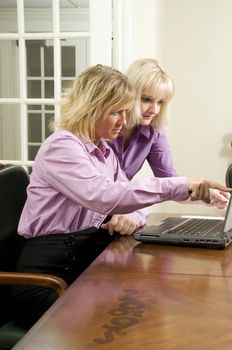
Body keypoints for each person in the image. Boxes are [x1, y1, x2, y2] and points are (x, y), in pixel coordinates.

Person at [11, 64, 231, 329]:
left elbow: (127, 198)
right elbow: (103, 197)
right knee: (122, 322)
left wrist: (135, 212)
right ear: (91, 107)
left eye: (126, 112)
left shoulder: (103, 151)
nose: (125, 122)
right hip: (48, 280)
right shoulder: (62, 146)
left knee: (151, 307)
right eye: (116, 112)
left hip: (82, 268)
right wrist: (180, 185)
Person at [109, 58, 230, 208]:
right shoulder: (105, 127)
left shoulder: (154, 131)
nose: (154, 109)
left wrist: (209, 196)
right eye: (147, 99)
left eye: (160, 102)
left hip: (115, 213)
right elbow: (98, 190)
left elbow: (170, 182)